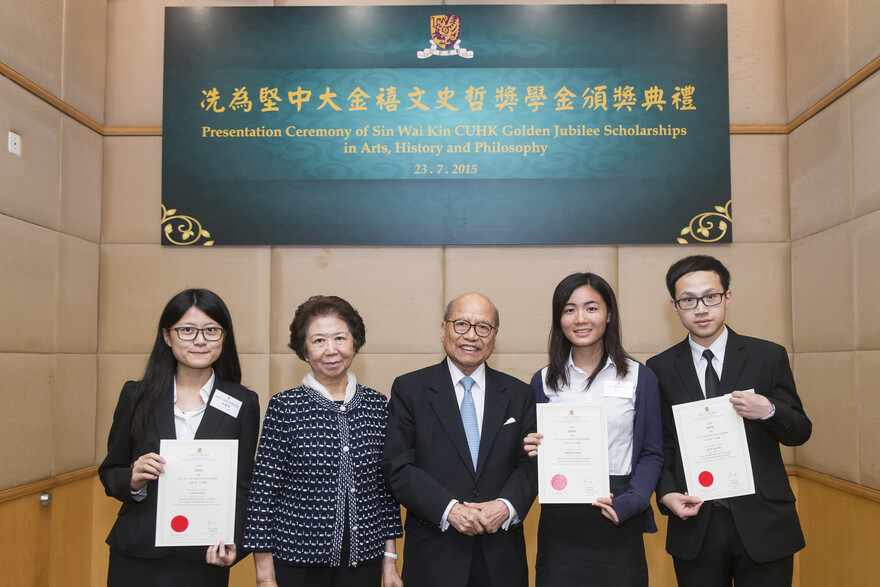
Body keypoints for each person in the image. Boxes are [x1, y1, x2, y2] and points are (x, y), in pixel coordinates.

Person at [648, 255, 811, 586]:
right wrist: (666, 495)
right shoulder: (659, 368)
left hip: (764, 520)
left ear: (727, 297)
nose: (702, 309)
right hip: (696, 521)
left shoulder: (768, 356)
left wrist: (768, 410)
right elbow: (661, 445)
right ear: (674, 306)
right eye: (688, 300)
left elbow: (800, 431)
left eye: (711, 296)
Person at [99, 288, 260, 587]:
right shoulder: (136, 395)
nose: (200, 340)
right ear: (167, 336)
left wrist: (237, 545)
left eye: (211, 330)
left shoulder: (242, 402)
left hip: (205, 557)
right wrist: (133, 480)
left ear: (224, 337)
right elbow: (110, 472)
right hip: (138, 554)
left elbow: (244, 487)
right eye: (187, 330)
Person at [244, 295, 403, 587]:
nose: (331, 350)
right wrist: (265, 576)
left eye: (340, 338)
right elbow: (263, 493)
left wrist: (389, 563)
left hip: (363, 561)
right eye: (318, 340)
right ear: (304, 349)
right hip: (295, 563)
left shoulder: (378, 406)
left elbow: (386, 492)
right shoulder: (285, 407)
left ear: (355, 343)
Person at [382, 292, 538, 587]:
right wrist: (450, 509)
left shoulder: (519, 394)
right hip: (434, 555)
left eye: (483, 327)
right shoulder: (410, 390)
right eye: (461, 324)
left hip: (502, 556)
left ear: (494, 336)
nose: (472, 336)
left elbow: (531, 464)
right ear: (443, 330)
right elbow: (397, 466)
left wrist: (506, 505)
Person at [522, 272, 663, 586]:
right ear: (559, 318)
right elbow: (532, 460)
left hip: (618, 513)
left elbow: (652, 453)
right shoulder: (542, 381)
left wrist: (634, 501)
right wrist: (531, 449)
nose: (580, 318)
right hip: (561, 524)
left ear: (609, 314)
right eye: (569, 309)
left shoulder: (639, 377)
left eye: (591, 308)